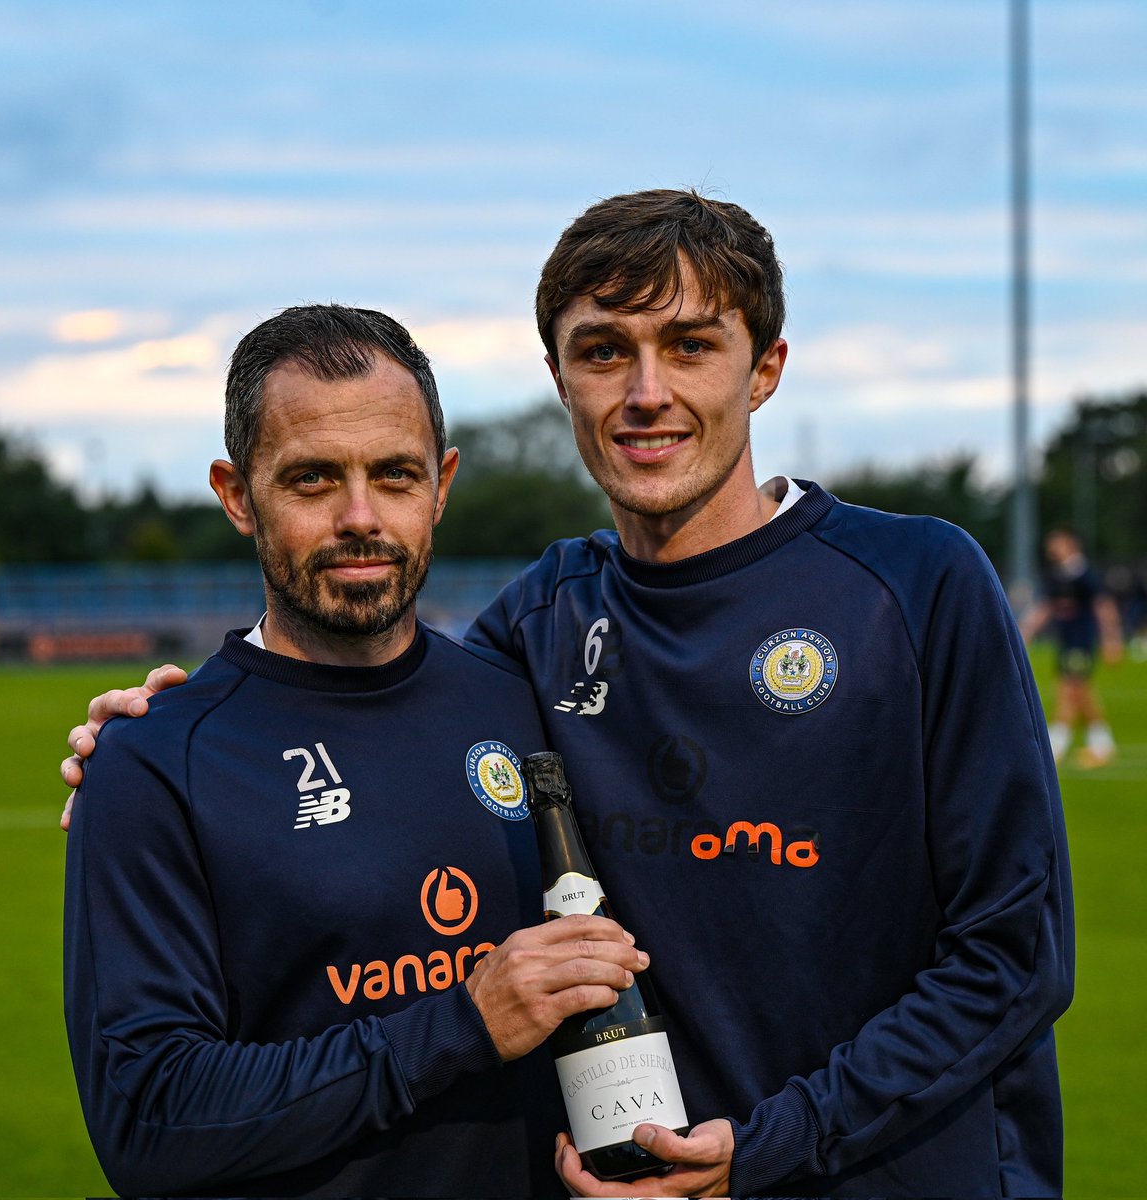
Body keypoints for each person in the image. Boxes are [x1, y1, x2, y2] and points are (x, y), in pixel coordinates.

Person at [63, 191, 1075, 1198]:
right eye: (603, 352)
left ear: (763, 369)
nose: (645, 392)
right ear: (560, 379)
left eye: (688, 346)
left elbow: (1016, 954)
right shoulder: (541, 624)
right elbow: (367, 694)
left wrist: (772, 1146)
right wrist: (171, 737)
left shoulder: (918, 583)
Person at [62, 303, 651, 1198]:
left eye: (396, 475)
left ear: (442, 484)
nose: (361, 517)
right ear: (236, 495)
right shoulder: (155, 763)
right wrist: (464, 1019)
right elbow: (150, 1118)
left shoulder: (520, 701)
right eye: (311, 480)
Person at [1021, 527, 1123, 766]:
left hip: (1081, 642)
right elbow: (1044, 608)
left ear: (1070, 544)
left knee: (1069, 690)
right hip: (1065, 642)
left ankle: (1056, 746)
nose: (1051, 547)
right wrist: (1025, 632)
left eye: (1056, 542)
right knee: (1082, 693)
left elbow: (1103, 607)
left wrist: (1111, 639)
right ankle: (1103, 745)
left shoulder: (1085, 574)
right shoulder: (1057, 576)